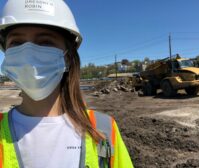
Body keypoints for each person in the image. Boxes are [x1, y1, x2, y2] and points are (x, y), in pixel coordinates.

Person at [0, 0, 133, 167]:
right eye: (16, 43)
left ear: (68, 57)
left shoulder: (105, 129)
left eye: (45, 42)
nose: (29, 56)